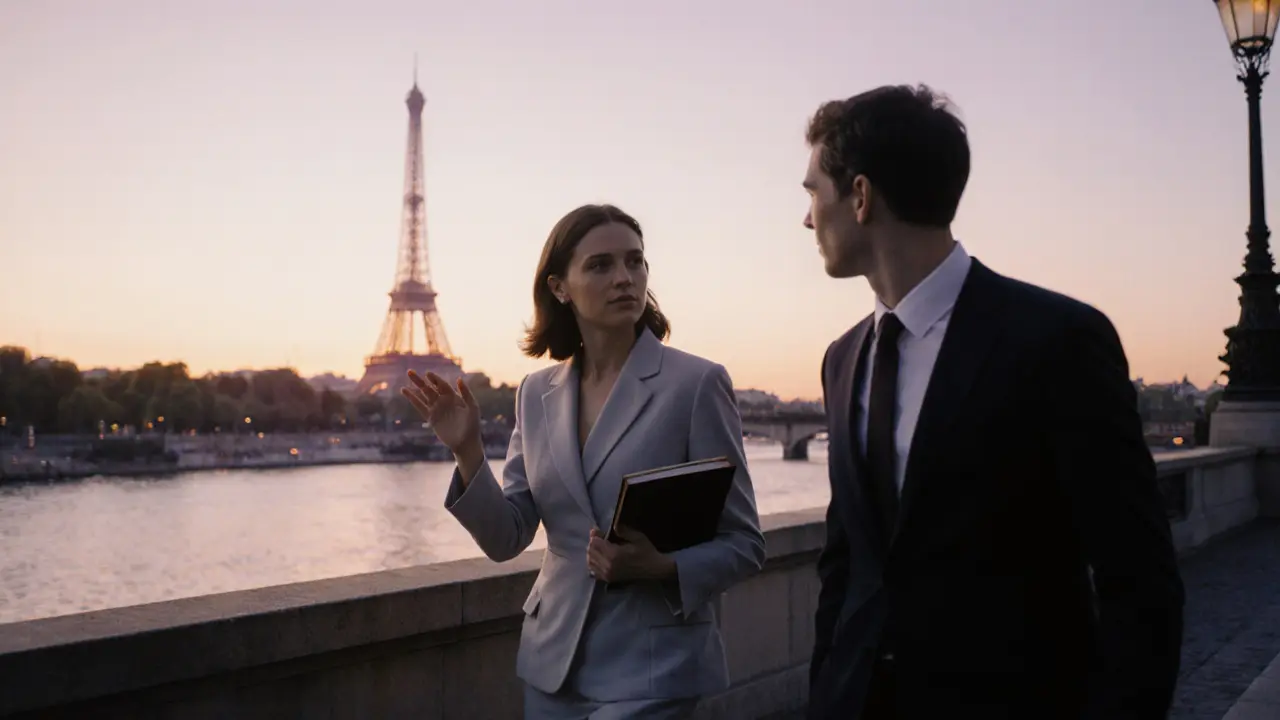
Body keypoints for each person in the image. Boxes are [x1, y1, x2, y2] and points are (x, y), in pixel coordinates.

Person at [800, 85, 1185, 719]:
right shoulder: (842, 360)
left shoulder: (1058, 340)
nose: (809, 218)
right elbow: (845, 565)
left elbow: (1138, 576)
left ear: (861, 197)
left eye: (814, 192)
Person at [402, 203, 766, 720]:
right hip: (554, 666)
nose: (624, 278)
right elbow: (507, 539)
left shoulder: (696, 384)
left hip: (655, 666)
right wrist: (467, 451)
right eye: (600, 265)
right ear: (559, 287)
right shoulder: (536, 393)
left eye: (635, 262)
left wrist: (662, 567)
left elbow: (746, 544)